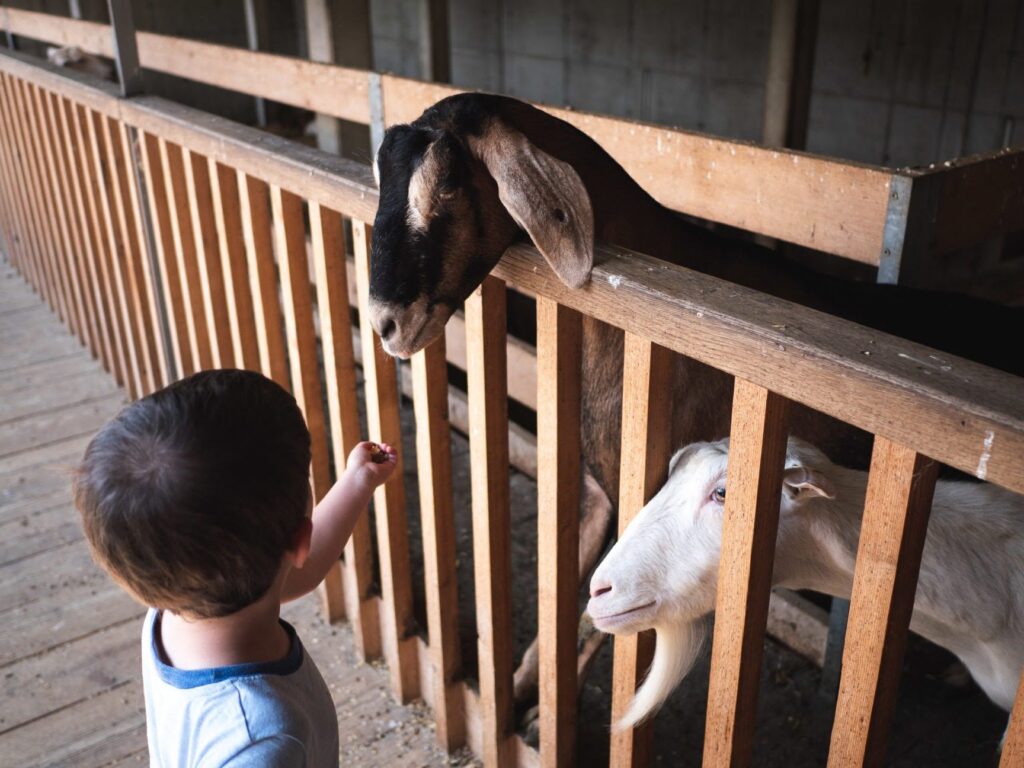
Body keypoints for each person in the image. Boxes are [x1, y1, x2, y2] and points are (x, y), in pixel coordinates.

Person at [74, 369, 396, 767]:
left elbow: (299, 572)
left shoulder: (178, 604)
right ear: (297, 539)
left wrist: (357, 481)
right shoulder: (260, 742)